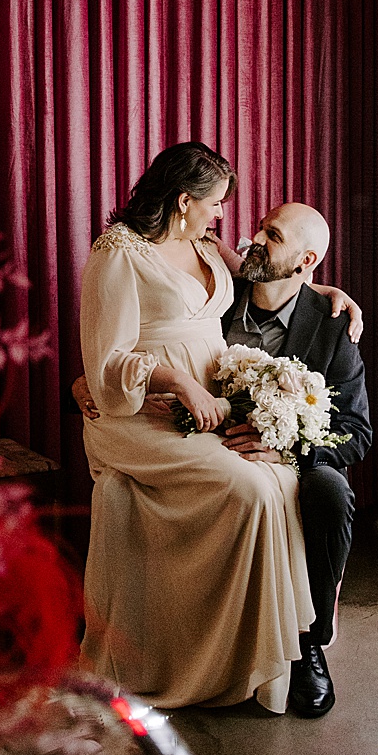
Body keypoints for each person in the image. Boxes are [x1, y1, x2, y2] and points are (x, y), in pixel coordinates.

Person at [77, 142, 314, 713]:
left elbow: (273, 277)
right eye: (214, 204)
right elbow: (105, 362)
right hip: (141, 417)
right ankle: (198, 663)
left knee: (279, 482)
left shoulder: (206, 246)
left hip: (209, 411)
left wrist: (330, 293)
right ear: (183, 201)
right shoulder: (119, 254)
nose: (221, 216)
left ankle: (261, 659)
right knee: (251, 489)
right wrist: (179, 384)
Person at [221, 203, 371, 719]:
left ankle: (309, 638)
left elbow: (357, 432)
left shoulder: (333, 327)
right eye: (261, 225)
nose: (256, 237)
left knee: (331, 490)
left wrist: (291, 447)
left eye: (272, 234)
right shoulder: (214, 301)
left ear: (305, 260)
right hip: (215, 450)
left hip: (297, 459)